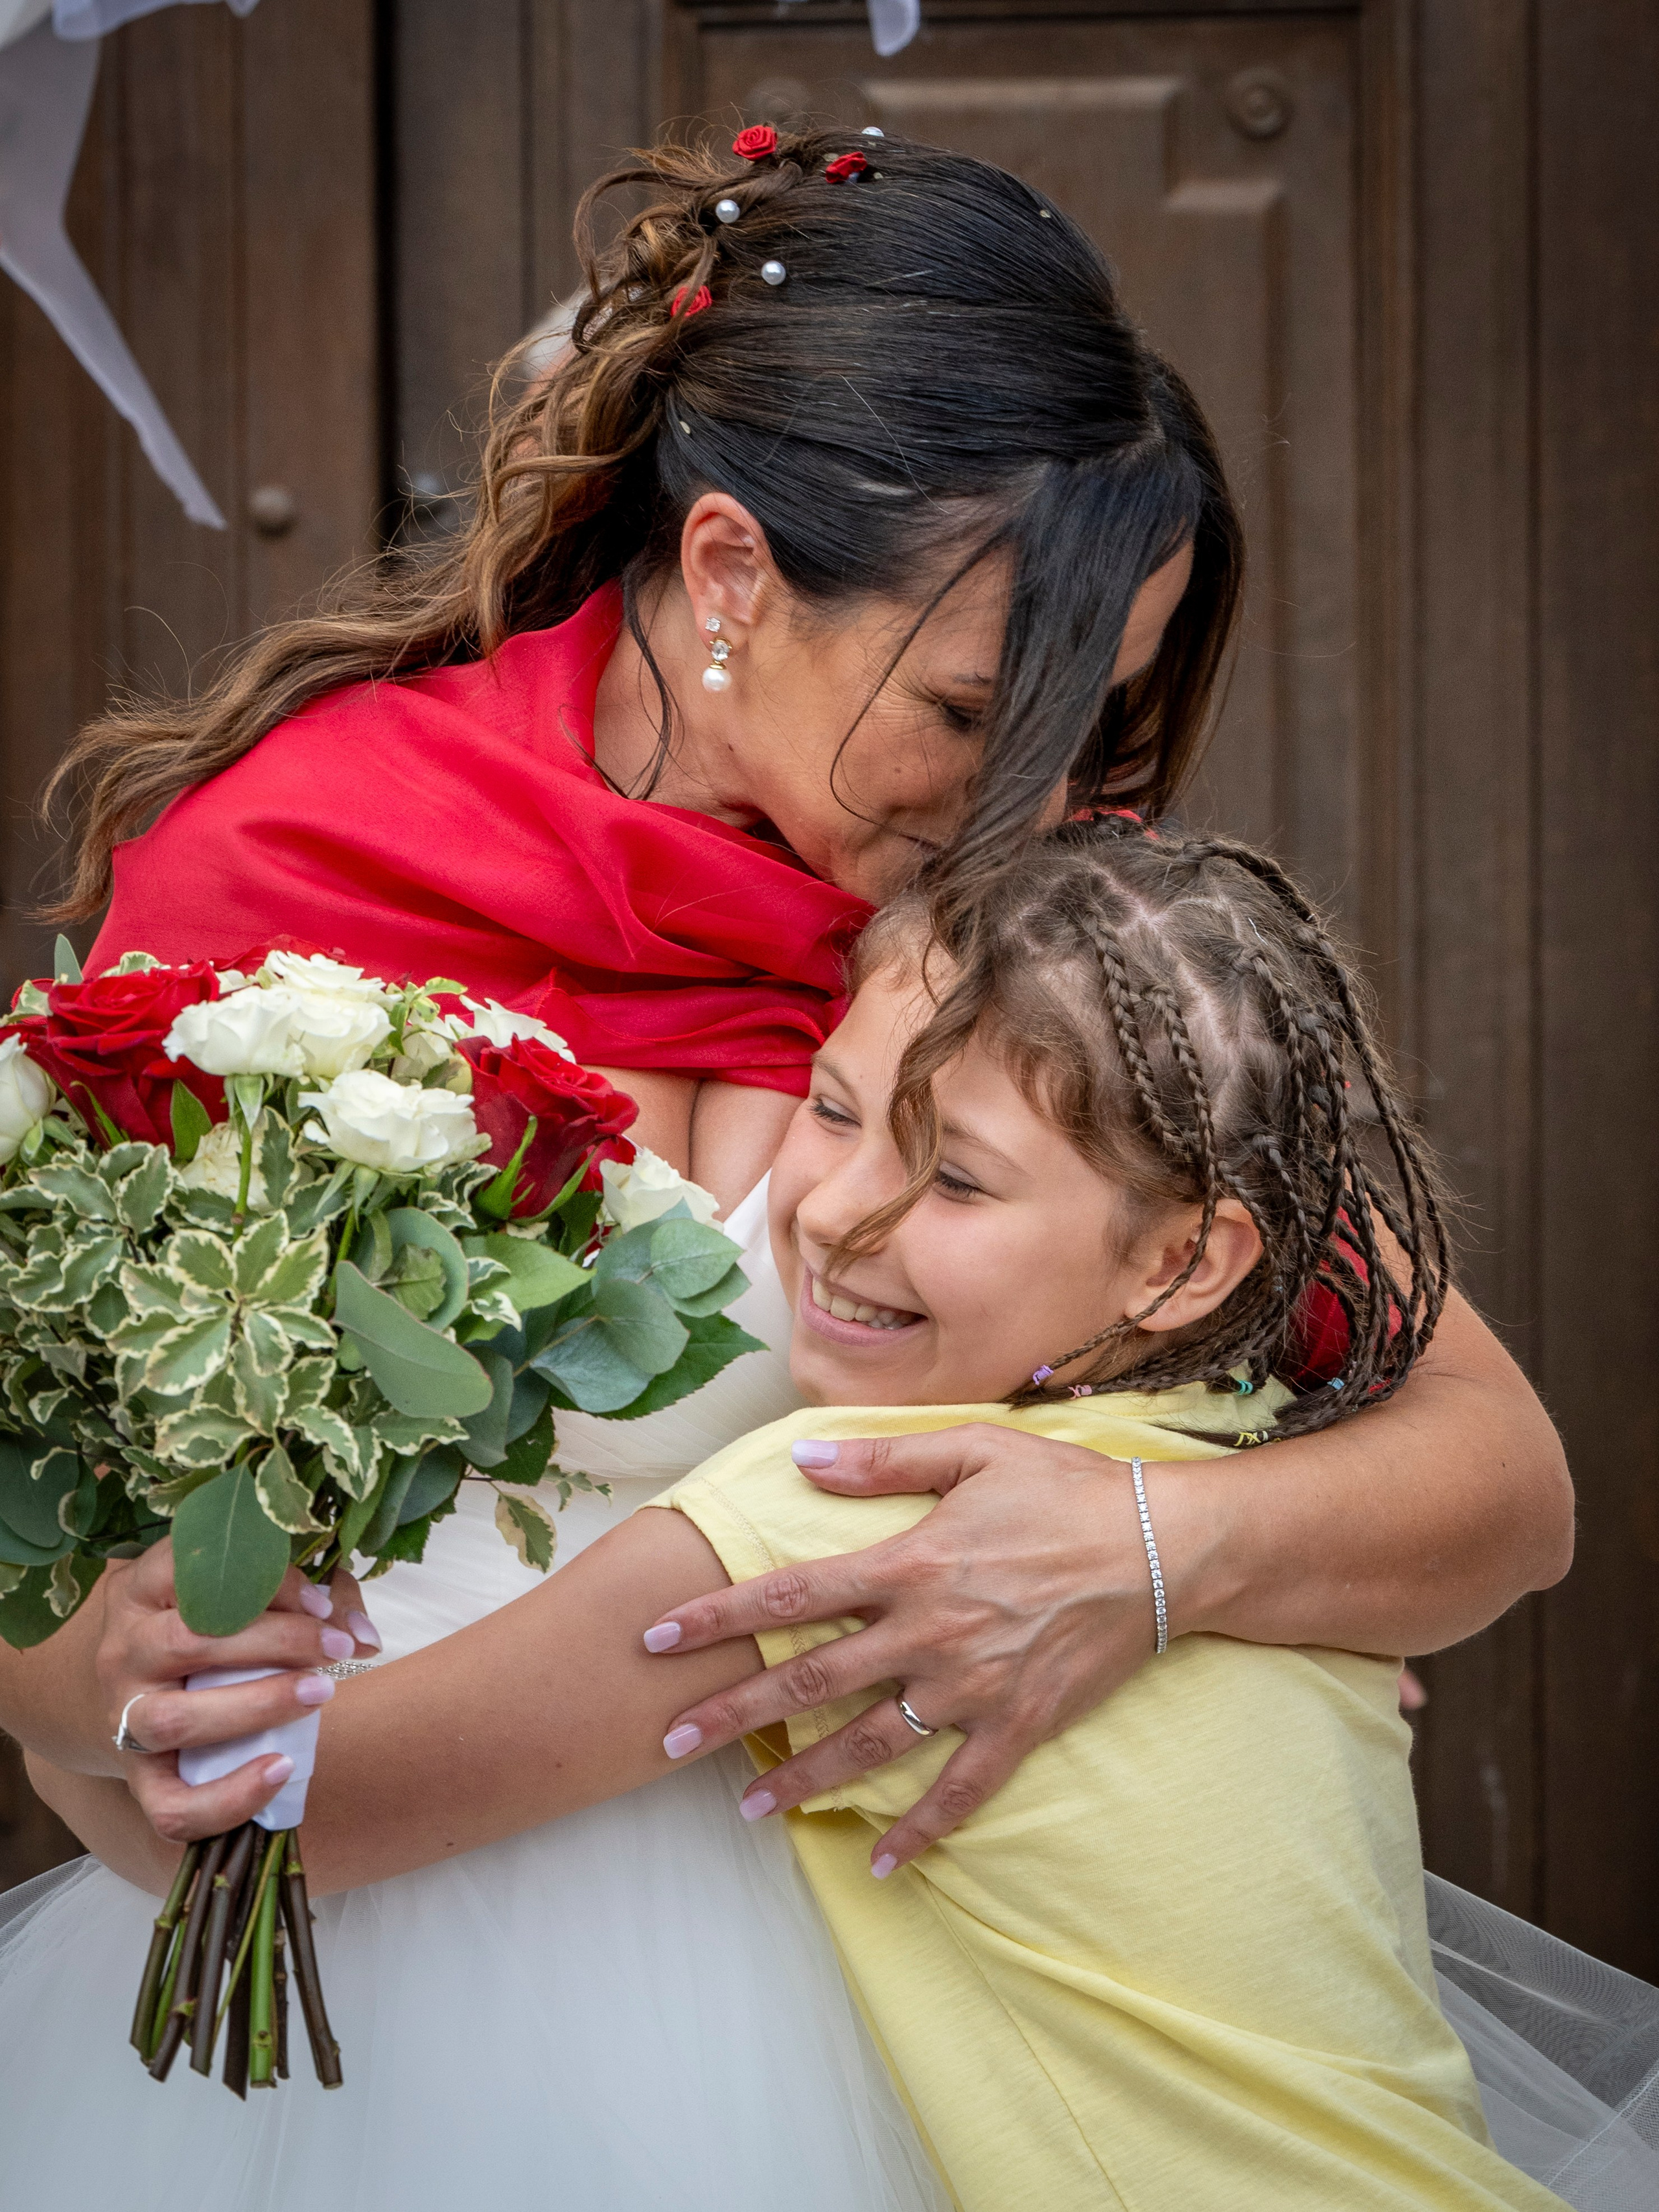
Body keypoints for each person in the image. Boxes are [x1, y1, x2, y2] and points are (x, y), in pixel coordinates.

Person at [1, 124, 1570, 1881]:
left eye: (1087, 722)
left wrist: (1154, 1545)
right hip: (369, 1931)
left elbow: (1500, 1483)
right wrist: (93, 1701)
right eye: (977, 714)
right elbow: (55, 1547)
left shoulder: (1035, 931)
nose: (1041, 809)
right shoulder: (294, 872)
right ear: (735, 568)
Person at [19, 824, 1650, 2207]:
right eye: (832, 1106)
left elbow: (285, 1824)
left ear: (1179, 1264)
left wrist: (57, 1718)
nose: (837, 1212)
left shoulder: (837, 1511)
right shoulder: (1237, 1438)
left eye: (955, 1182)